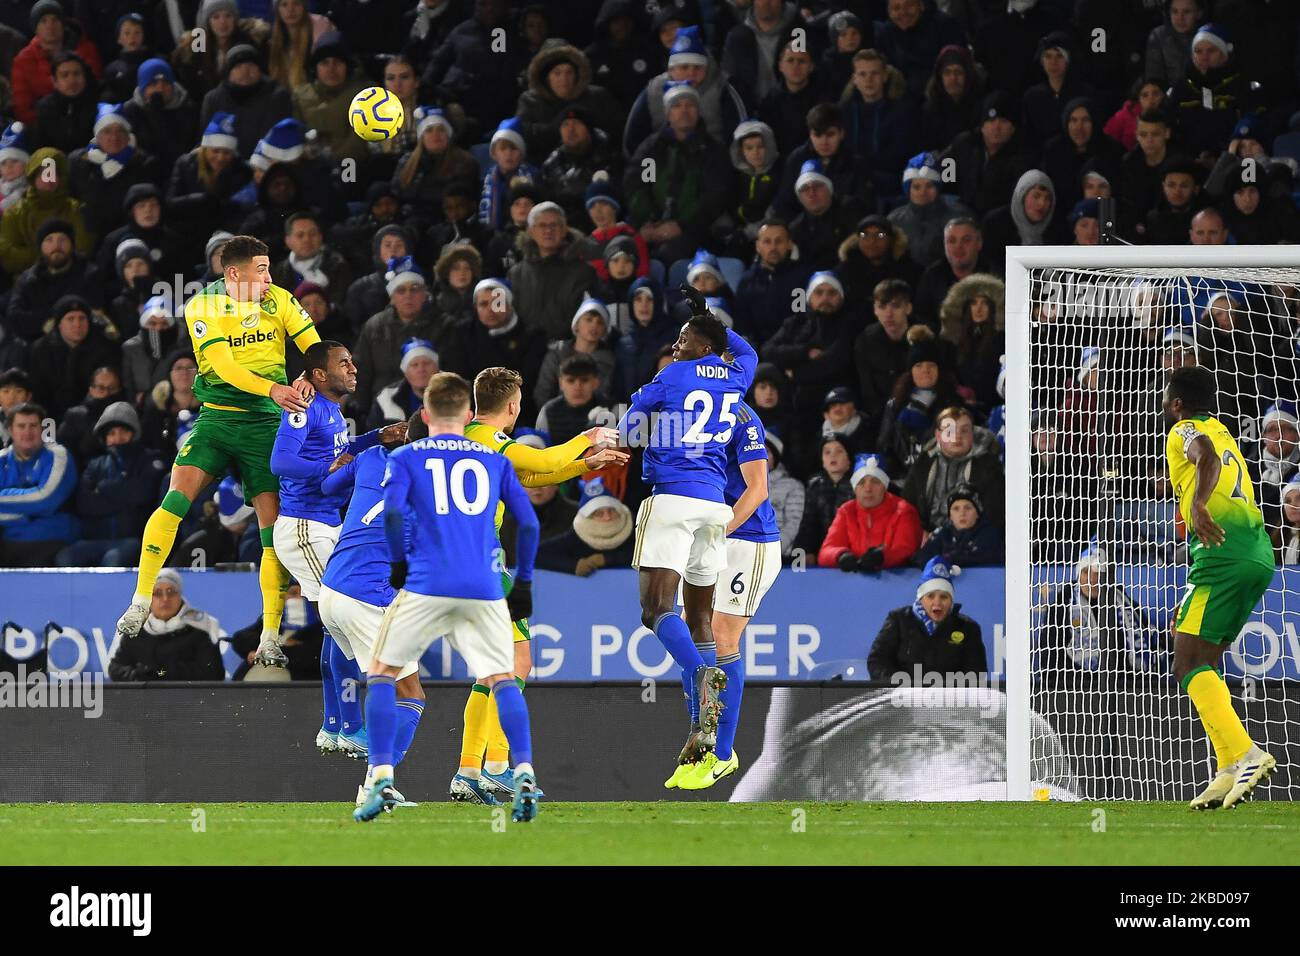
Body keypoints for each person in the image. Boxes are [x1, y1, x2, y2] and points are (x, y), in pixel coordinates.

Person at [112, 236, 321, 668]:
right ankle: (139, 599)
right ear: (233, 274)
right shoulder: (203, 307)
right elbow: (224, 366)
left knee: (271, 527)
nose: (268, 277)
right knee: (175, 500)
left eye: (268, 268)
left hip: (266, 423)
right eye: (260, 269)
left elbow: (314, 346)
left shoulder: (279, 299)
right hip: (218, 418)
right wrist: (275, 387)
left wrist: (311, 375)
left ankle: (269, 635)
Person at [357, 372, 543, 823]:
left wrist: (400, 563)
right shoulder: (494, 459)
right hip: (481, 584)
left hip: (424, 581)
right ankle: (522, 774)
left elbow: (395, 514)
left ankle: (380, 777)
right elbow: (531, 524)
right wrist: (524, 585)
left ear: (424, 414)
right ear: (466, 415)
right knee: (504, 676)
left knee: (382, 675)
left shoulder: (405, 457)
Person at [449, 366, 625, 802]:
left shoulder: (470, 439)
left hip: (457, 565)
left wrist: (584, 465)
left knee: (492, 671)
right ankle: (496, 766)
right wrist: (588, 438)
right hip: (480, 567)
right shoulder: (491, 440)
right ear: (512, 407)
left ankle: (468, 772)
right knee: (519, 661)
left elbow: (531, 478)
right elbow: (543, 460)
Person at [619, 286, 757, 770]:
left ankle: (702, 676)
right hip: (714, 508)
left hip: (672, 500)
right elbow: (746, 350)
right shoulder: (738, 376)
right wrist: (710, 316)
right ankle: (706, 712)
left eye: (683, 339)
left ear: (700, 348)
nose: (675, 347)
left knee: (654, 611)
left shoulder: (671, 375)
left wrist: (641, 425)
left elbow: (631, 431)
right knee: (700, 619)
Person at [270, 340, 406, 754]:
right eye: (343, 363)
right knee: (340, 620)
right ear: (319, 375)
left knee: (337, 624)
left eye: (353, 361)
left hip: (325, 524)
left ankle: (336, 723)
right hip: (304, 526)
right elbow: (280, 461)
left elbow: (340, 453)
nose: (353, 368)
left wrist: (375, 438)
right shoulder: (304, 406)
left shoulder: (331, 410)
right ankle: (345, 725)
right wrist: (325, 467)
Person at [1162, 365, 1277, 810]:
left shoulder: (1184, 430)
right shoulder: (1224, 429)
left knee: (1186, 661)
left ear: (1176, 404)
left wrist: (1198, 503)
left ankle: (1247, 753)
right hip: (1258, 552)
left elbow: (1204, 457)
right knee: (1206, 658)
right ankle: (1227, 767)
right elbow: (1215, 456)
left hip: (1221, 554)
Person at [674, 399, 782, 791]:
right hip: (702, 539)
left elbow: (758, 488)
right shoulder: (678, 413)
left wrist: (721, 530)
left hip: (746, 541)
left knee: (721, 638)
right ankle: (699, 744)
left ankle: (721, 753)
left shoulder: (739, 414)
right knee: (692, 633)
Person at [866, 556, 987, 683]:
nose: (937, 602)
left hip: (949, 700)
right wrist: (901, 687)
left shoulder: (967, 628)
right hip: (903, 699)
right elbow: (877, 661)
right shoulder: (898, 620)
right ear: (921, 599)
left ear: (951, 600)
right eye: (930, 596)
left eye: (944, 597)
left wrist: (946, 693)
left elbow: (976, 672)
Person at [106, 569, 224, 682]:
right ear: (149, 599)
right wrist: (137, 676)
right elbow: (115, 668)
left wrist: (161, 673)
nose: (165, 599)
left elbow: (214, 673)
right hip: (144, 699)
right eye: (157, 593)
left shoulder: (199, 629)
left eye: (171, 592)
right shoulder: (136, 631)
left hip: (188, 700)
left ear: (180, 596)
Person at [0, 401, 78, 566]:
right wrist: (25, 515)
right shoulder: (1, 459)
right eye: (21, 426)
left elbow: (46, 500)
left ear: (42, 429)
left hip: (50, 539)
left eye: (33, 426)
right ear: (10, 430)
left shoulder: (58, 455)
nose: (27, 432)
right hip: (7, 541)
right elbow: (38, 502)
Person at [902, 405, 1004, 532]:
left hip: (971, 539)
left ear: (972, 434)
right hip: (927, 535)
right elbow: (907, 506)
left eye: (964, 430)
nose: (957, 436)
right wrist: (919, 533)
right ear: (938, 436)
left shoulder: (988, 465)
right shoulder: (924, 461)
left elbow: (994, 516)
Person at [818, 452, 922, 572]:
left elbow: (906, 550)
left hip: (894, 584)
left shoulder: (904, 511)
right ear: (854, 488)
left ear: (885, 486)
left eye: (875, 482)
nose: (868, 489)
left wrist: (882, 556)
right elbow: (826, 551)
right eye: (861, 483)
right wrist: (840, 555)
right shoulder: (846, 511)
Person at [910, 484, 1003, 568]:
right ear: (950, 516)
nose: (962, 513)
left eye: (968, 508)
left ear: (978, 513)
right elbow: (921, 557)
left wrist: (947, 560)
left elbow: (982, 557)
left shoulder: (989, 533)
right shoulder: (943, 533)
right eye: (956, 509)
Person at [367, 338, 438, 431]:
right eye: (414, 365)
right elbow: (373, 437)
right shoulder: (385, 398)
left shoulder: (456, 391)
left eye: (426, 363)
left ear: (437, 367)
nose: (421, 369)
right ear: (405, 371)